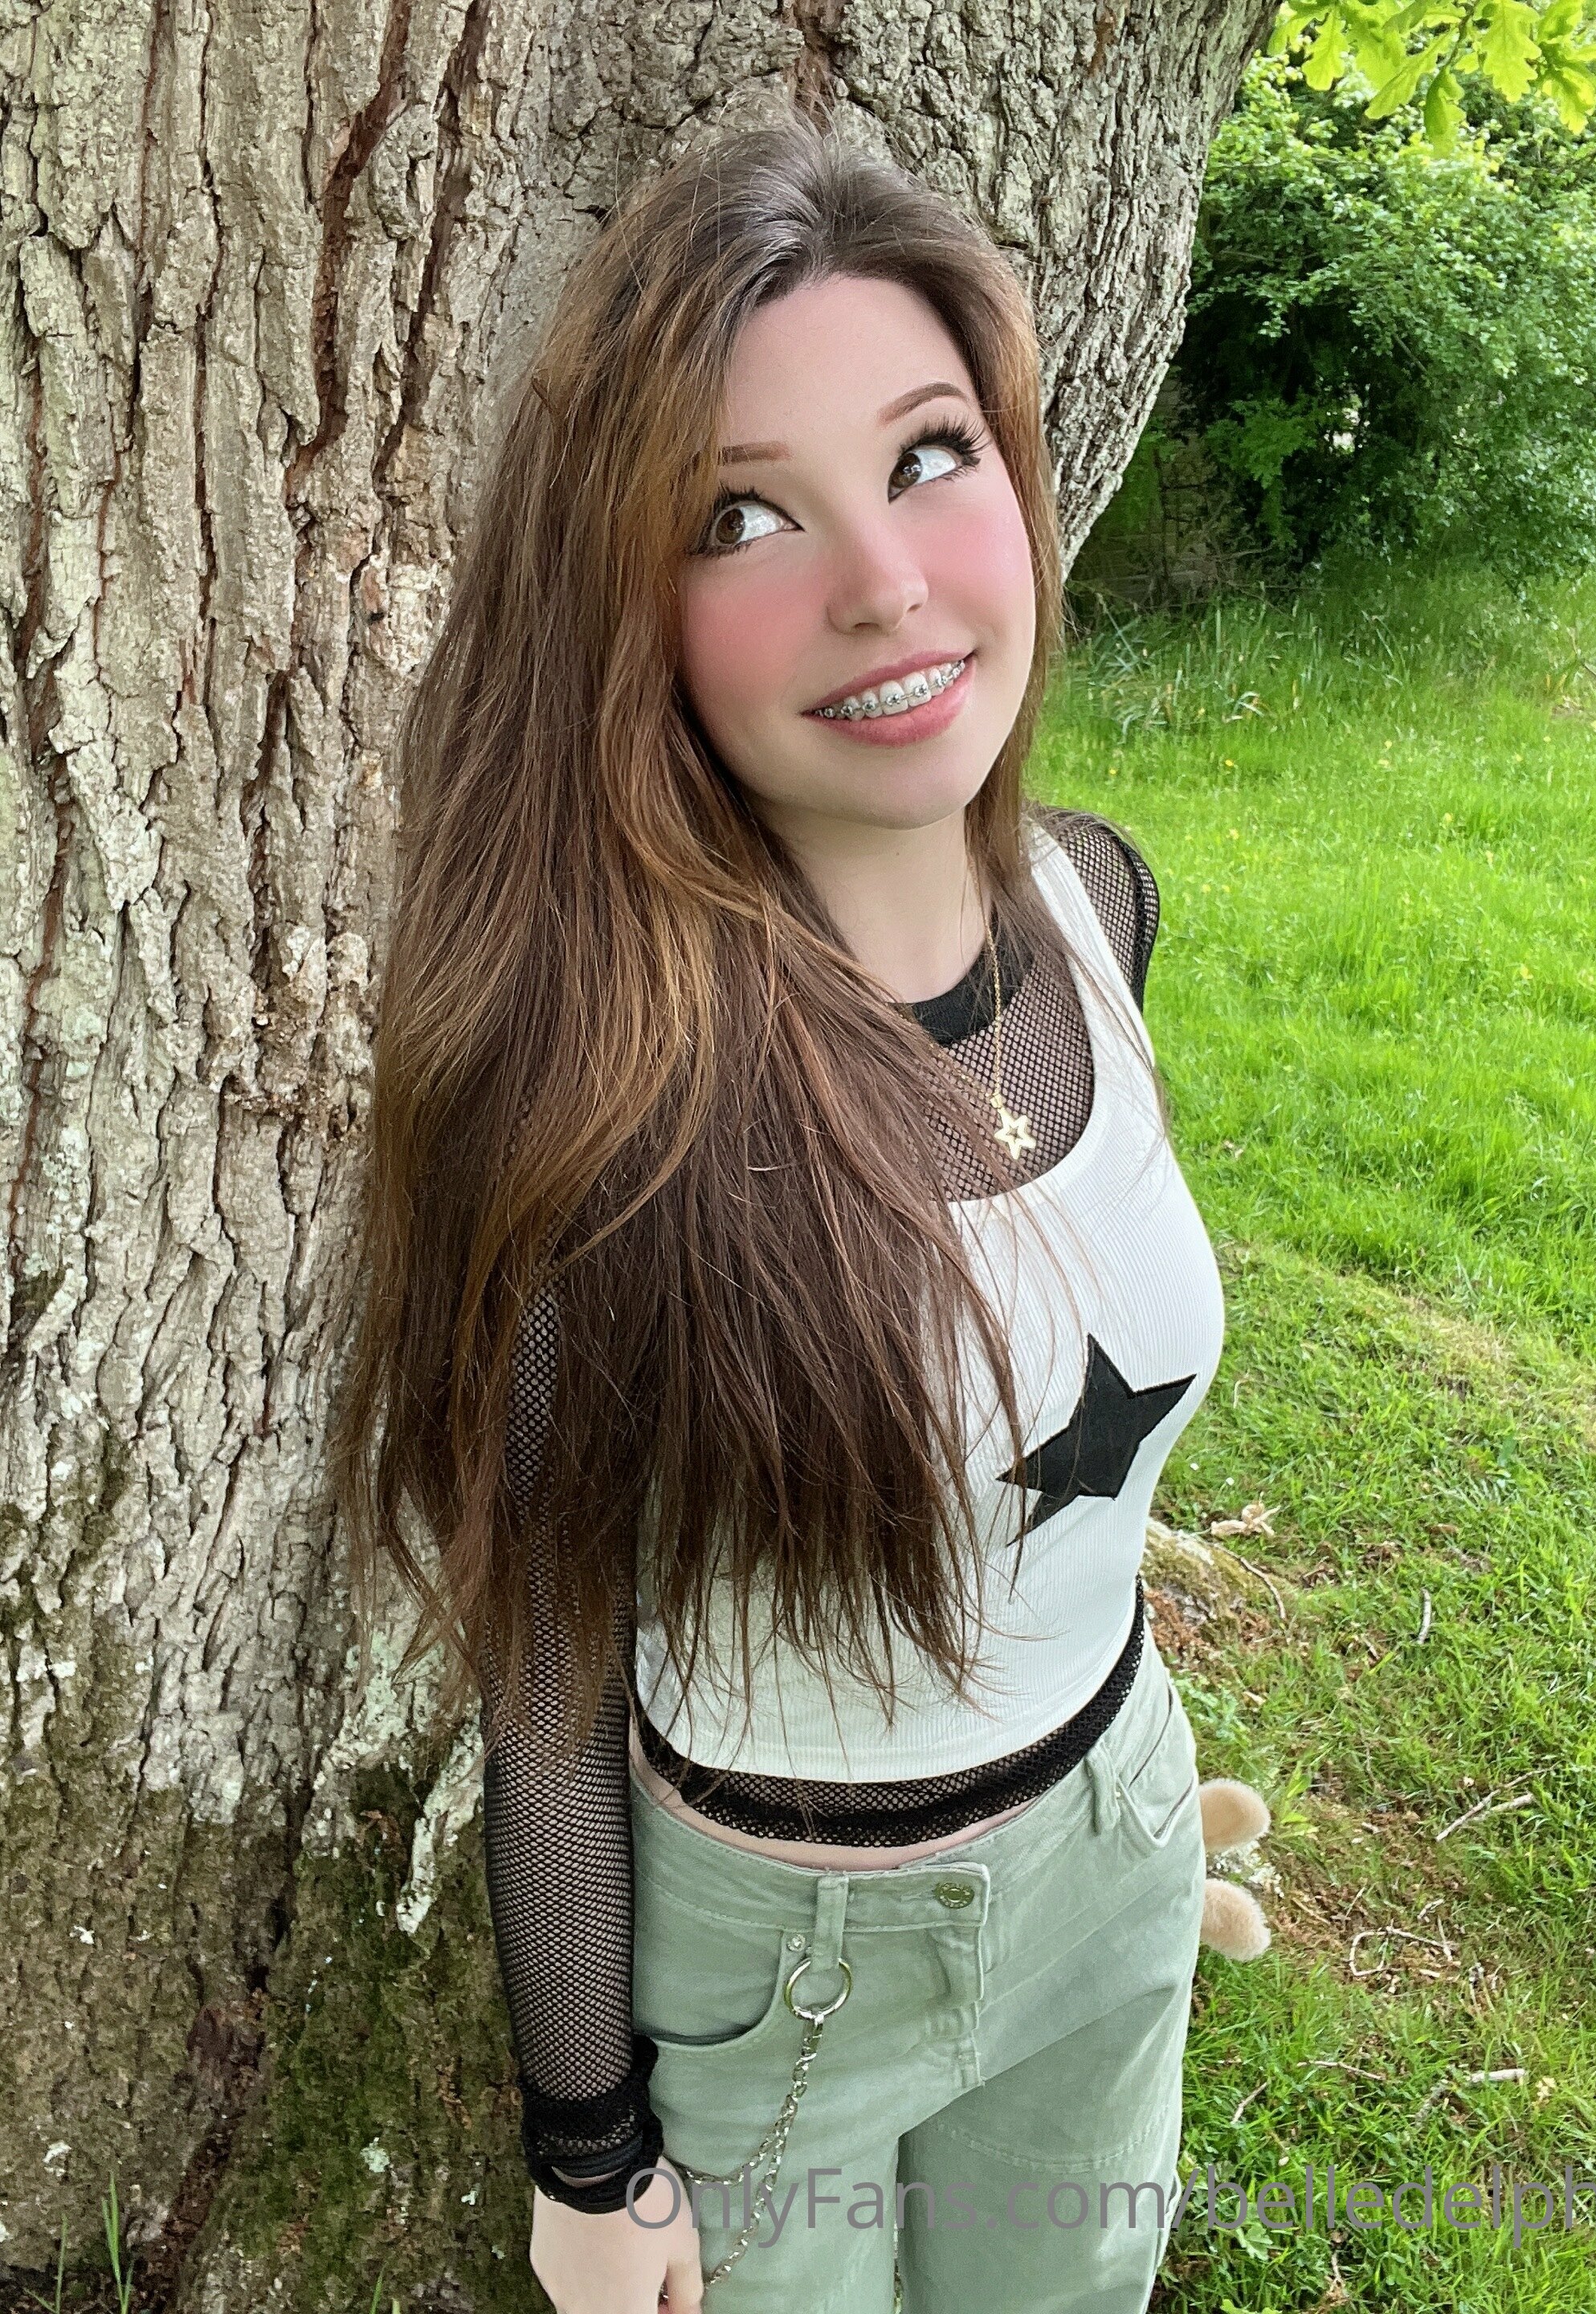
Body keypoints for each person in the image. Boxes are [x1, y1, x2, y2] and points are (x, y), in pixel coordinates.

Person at [336, 113, 1225, 2314]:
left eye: (930, 455)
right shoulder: (606, 1113)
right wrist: (587, 2158)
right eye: (746, 515)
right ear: (625, 613)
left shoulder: (1100, 906)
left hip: (1117, 1844)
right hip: (797, 1972)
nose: (885, 584)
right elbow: (549, 1664)